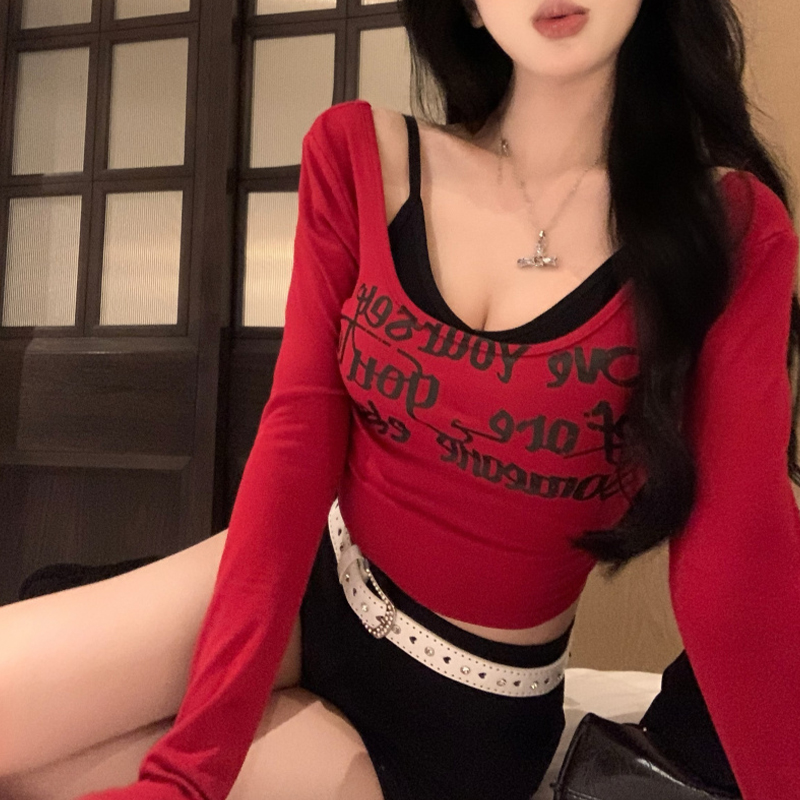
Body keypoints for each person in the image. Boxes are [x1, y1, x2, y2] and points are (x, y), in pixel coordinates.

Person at [1, 0, 799, 798]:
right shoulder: (362, 155)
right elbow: (296, 445)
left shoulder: (729, 230)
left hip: (461, 708)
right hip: (312, 587)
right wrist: (190, 774)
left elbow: (737, 553)